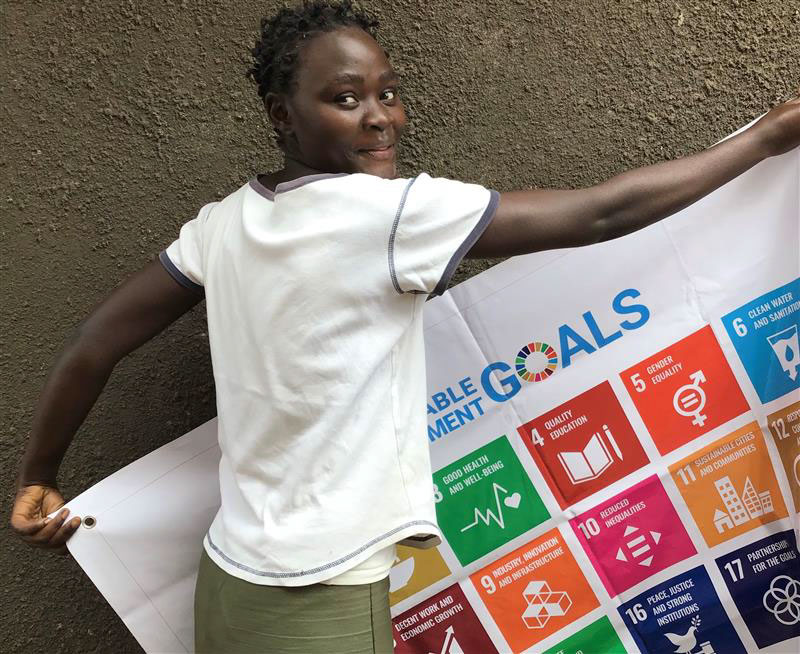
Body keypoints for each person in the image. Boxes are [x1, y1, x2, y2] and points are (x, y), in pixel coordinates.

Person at [9, 1, 800, 652]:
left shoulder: (224, 224)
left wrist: (37, 477)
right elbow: (602, 212)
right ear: (283, 116)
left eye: (387, 92)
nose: (381, 118)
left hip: (229, 584)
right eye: (346, 98)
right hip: (319, 601)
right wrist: (765, 139)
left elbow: (94, 343)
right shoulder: (387, 214)